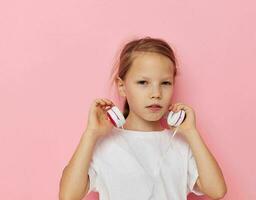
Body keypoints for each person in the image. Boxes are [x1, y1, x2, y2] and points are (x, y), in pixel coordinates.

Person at [59, 37, 227, 200]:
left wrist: (192, 133)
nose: (156, 94)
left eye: (165, 83)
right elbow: (68, 196)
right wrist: (90, 134)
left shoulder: (181, 143)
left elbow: (217, 191)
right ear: (122, 86)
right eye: (143, 82)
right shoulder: (104, 144)